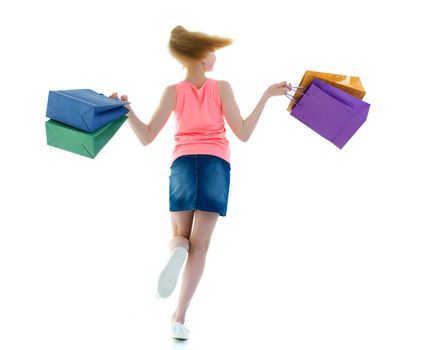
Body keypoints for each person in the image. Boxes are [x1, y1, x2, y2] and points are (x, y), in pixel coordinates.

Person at [110, 25, 291, 340]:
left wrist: (126, 111)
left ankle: (175, 251)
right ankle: (178, 318)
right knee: (202, 246)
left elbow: (146, 136)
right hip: (214, 166)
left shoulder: (173, 91)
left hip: (182, 165)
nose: (215, 54)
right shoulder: (221, 88)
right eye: (211, 48)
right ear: (199, 55)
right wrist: (266, 96)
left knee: (181, 238)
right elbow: (244, 133)